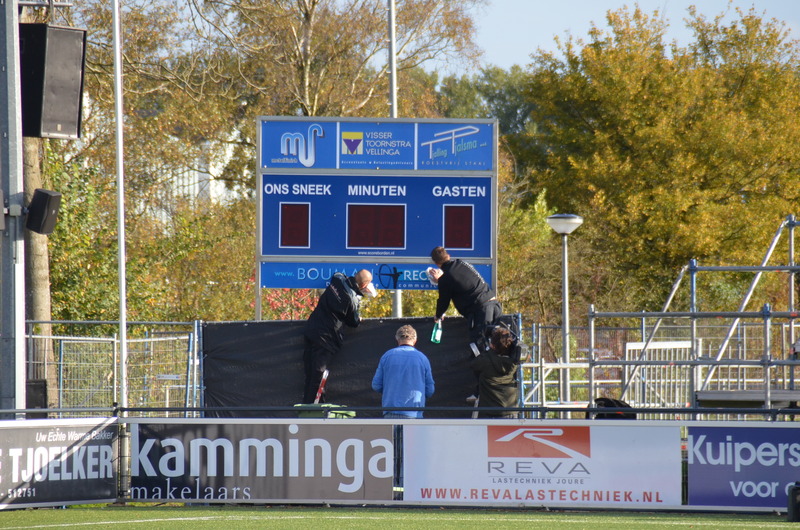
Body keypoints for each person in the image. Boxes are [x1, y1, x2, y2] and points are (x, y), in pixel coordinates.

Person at [302, 269, 374, 403]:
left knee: (309, 372)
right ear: (364, 286)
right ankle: (313, 407)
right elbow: (353, 321)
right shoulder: (351, 299)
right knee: (318, 374)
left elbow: (338, 276)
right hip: (326, 338)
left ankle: (309, 403)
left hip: (311, 330)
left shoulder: (337, 279)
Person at [428, 246, 502, 354]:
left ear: (436, 263)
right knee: (497, 343)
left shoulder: (446, 278)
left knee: (479, 346)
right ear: (448, 256)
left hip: (481, 310)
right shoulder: (461, 263)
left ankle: (484, 369)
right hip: (494, 304)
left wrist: (438, 315)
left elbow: (444, 301)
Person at [372, 325, 435, 418]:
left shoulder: (387, 356)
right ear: (415, 340)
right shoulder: (422, 358)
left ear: (397, 339)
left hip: (390, 412)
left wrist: (391, 391)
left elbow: (376, 385)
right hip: (414, 413)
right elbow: (430, 390)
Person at [470, 325, 521, 418]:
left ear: (492, 345)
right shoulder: (513, 361)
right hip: (511, 411)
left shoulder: (485, 360)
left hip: (491, 413)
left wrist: (488, 350)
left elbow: (473, 364)